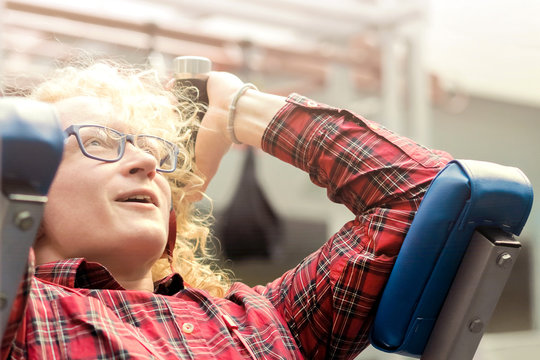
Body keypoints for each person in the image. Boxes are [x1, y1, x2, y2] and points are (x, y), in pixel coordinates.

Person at [1, 59, 452, 359]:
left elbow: (426, 194)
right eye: (97, 142)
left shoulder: (267, 319)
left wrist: (240, 111)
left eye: (151, 150)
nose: (144, 161)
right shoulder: (21, 319)